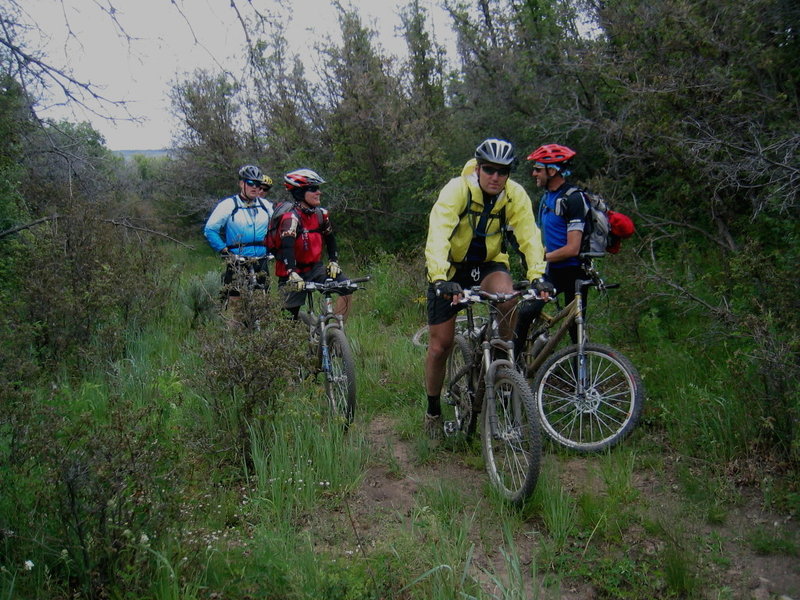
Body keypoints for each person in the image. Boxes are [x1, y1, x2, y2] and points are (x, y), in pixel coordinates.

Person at [423, 138, 551, 439]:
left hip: (490, 265)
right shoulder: (457, 189)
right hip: (452, 268)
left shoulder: (514, 195)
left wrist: (537, 276)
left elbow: (529, 236)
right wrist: (440, 279)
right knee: (440, 345)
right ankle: (432, 411)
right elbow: (438, 232)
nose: (496, 177)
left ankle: (499, 369)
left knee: (508, 301)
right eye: (490, 170)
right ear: (479, 168)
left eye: (503, 171)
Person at [514, 143, 588, 351]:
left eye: (538, 169)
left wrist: (541, 258)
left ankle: (582, 381)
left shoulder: (574, 199)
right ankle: (515, 370)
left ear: (552, 171)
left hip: (573, 272)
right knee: (527, 313)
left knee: (576, 329)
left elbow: (573, 248)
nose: (534, 173)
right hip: (551, 270)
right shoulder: (547, 198)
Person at [274, 168, 353, 319]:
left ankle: (333, 332)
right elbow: (287, 248)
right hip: (292, 272)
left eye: (318, 188)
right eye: (313, 189)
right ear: (299, 193)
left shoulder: (321, 214)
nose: (318, 192)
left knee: (347, 287)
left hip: (315, 269)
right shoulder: (291, 218)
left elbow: (330, 239)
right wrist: (292, 273)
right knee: (287, 322)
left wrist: (333, 261)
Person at [204, 165, 274, 295]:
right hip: (238, 260)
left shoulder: (265, 205)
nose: (255, 187)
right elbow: (210, 229)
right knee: (235, 302)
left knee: (263, 302)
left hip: (261, 259)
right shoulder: (229, 205)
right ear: (242, 183)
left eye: (258, 184)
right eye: (251, 183)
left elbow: (275, 227)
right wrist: (223, 249)